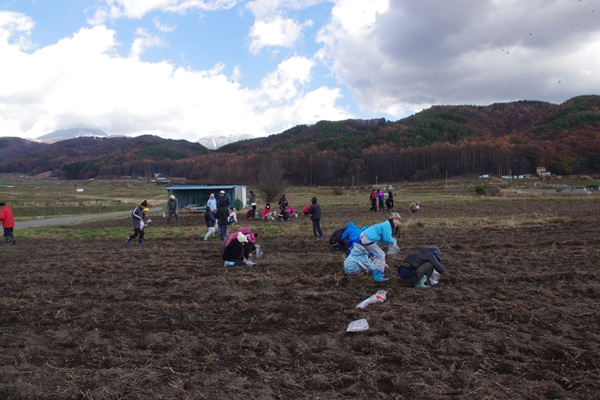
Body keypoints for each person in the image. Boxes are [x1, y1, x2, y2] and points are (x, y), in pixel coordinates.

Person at [359, 212, 401, 282]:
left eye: (399, 220)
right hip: (368, 238)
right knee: (381, 255)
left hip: (365, 238)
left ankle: (377, 274)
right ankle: (377, 276)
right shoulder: (387, 225)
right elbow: (387, 238)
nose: (397, 222)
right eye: (395, 219)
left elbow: (383, 239)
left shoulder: (385, 225)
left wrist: (390, 242)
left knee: (379, 255)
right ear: (391, 219)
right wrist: (393, 241)